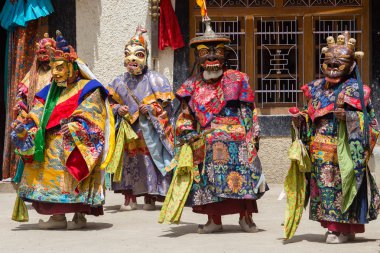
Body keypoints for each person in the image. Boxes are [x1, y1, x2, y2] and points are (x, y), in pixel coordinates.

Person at [11, 30, 114, 230]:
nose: (55, 73)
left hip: (74, 142)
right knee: (50, 181)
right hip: (50, 147)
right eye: (53, 68)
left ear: (72, 67)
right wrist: (26, 124)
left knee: (77, 174)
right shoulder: (49, 92)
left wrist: (77, 126)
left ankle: (79, 215)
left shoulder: (88, 88)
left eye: (59, 68)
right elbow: (37, 113)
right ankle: (57, 216)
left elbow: (94, 114)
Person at [173, 17, 267, 233]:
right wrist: (186, 131)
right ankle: (214, 219)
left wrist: (251, 135)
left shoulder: (237, 79)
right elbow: (185, 116)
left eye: (218, 52)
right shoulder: (191, 85)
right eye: (206, 53)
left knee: (245, 177)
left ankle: (246, 218)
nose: (213, 58)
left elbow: (248, 111)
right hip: (207, 140)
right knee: (209, 180)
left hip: (237, 139)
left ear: (225, 55)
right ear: (198, 56)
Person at [293, 32, 380, 243]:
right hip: (320, 151)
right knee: (325, 192)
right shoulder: (316, 89)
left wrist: (349, 117)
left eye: (338, 63)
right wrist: (301, 118)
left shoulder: (357, 90)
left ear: (351, 66)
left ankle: (342, 229)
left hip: (344, 153)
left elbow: (371, 123)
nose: (332, 66)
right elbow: (310, 112)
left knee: (344, 188)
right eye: (328, 63)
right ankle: (333, 227)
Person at [107, 26, 174, 211]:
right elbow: (107, 105)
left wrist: (152, 109)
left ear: (145, 56)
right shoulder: (118, 82)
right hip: (127, 131)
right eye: (128, 54)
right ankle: (130, 199)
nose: (132, 59)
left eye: (138, 54)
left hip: (148, 132)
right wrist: (118, 108)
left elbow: (168, 107)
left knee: (149, 162)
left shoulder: (156, 80)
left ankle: (150, 197)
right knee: (128, 162)